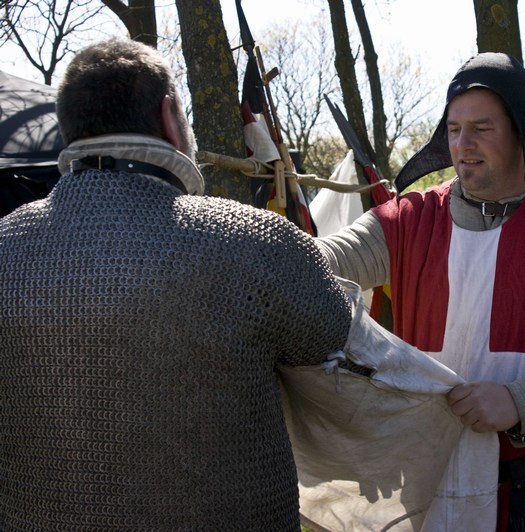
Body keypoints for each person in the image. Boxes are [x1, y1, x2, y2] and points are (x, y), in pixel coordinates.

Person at [0, 38, 354, 529]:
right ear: (169, 116)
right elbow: (335, 340)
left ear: (70, 129)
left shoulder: (5, 245)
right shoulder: (253, 242)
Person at [316, 52, 525, 531]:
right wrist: (256, 246)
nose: (463, 144)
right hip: (425, 493)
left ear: (520, 131)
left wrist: (522, 401)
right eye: (454, 129)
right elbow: (319, 264)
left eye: (482, 128)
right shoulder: (407, 221)